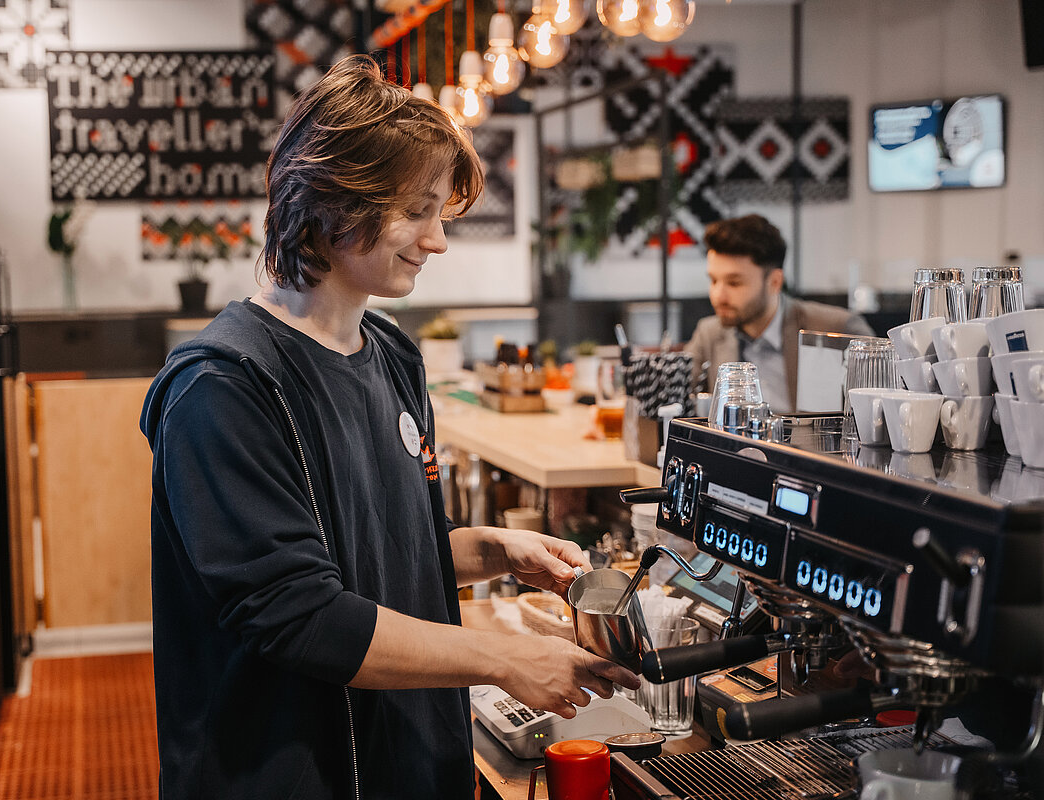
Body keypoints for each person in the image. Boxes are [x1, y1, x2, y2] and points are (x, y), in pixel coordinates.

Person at [139, 55, 638, 800]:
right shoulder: (224, 386)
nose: (437, 240)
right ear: (333, 200)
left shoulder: (392, 354)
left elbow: (382, 556)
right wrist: (503, 658)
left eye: (440, 213)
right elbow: (300, 614)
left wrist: (494, 550)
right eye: (417, 211)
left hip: (414, 763)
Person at [685, 214, 874, 411]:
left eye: (734, 283)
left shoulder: (837, 329)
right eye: (713, 280)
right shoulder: (709, 334)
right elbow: (678, 398)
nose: (718, 295)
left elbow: (875, 413)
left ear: (774, 282)